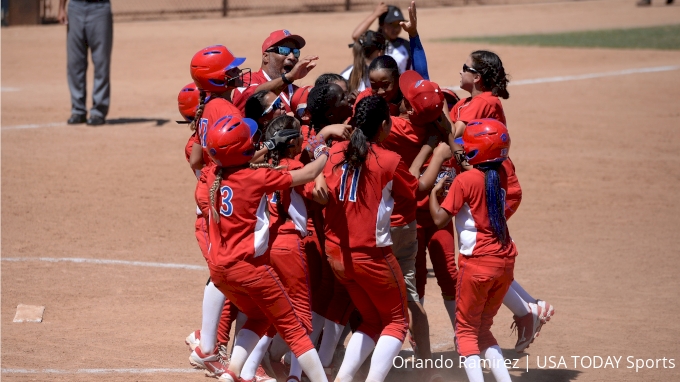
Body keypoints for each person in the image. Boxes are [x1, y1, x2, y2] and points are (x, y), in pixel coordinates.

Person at [195, 114, 330, 382]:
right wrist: (323, 151)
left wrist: (267, 146)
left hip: (220, 271)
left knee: (259, 316)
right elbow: (310, 173)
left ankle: (232, 373)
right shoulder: (253, 178)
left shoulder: (214, 174)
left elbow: (240, 160)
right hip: (250, 269)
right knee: (294, 330)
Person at [450, 50, 554, 352]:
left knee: (482, 256)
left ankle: (527, 311)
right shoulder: (465, 103)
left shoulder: (486, 102)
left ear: (478, 77)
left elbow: (454, 134)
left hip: (498, 188)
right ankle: (530, 308)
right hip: (482, 186)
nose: (459, 72)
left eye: (464, 68)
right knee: (485, 255)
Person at [322, 95, 413, 382]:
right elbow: (413, 192)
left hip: (336, 254)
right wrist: (433, 153)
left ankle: (344, 379)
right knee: (397, 322)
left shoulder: (336, 151)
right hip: (371, 256)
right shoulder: (389, 160)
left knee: (374, 320)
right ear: (384, 125)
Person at [429, 118, 516, 382]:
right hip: (505, 261)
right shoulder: (500, 174)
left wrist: (434, 193)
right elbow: (480, 170)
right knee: (483, 330)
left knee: (465, 331)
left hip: (477, 264)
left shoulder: (465, 181)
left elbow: (438, 220)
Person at [232, 29, 318, 113]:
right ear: (266, 57)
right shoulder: (246, 80)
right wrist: (288, 77)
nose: (292, 57)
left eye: (295, 52)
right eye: (284, 50)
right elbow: (254, 98)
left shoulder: (296, 91)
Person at [57, 0, 113, 126]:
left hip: (100, 8)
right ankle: (78, 110)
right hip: (76, 7)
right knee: (75, 63)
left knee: (101, 62)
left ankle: (98, 111)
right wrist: (61, 8)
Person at [352, 2, 411, 74]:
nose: (396, 29)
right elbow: (356, 36)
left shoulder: (406, 45)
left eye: (399, 24)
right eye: (391, 24)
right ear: (381, 24)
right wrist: (375, 15)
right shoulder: (372, 42)